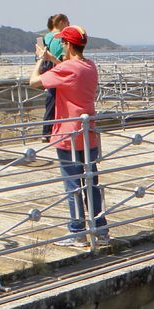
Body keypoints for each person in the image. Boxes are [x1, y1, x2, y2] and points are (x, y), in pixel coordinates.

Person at [29, 25, 108, 246]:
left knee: (73, 184)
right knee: (91, 182)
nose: (61, 44)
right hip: (88, 132)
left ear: (69, 45)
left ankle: (77, 232)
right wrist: (53, 59)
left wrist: (39, 60)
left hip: (68, 135)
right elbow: (68, 68)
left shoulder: (67, 69)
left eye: (63, 42)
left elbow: (33, 81)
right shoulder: (89, 66)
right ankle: (101, 230)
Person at [38, 13, 70, 141]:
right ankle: (54, 132)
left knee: (51, 101)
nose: (69, 25)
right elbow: (63, 59)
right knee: (60, 103)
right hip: (59, 72)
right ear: (61, 22)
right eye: (67, 22)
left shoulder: (46, 37)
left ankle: (47, 131)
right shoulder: (59, 38)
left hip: (48, 73)